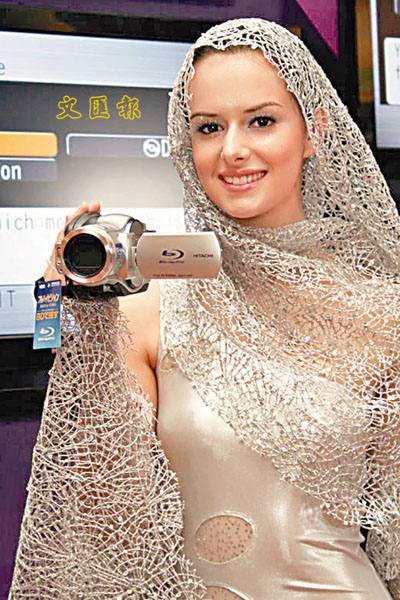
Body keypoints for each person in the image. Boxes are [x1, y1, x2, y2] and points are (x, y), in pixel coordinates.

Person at [8, 17, 400, 600]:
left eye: (261, 121)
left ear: (314, 130)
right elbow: (111, 530)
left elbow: (394, 540)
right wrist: (88, 331)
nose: (233, 151)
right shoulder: (145, 308)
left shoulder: (380, 313)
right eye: (209, 127)